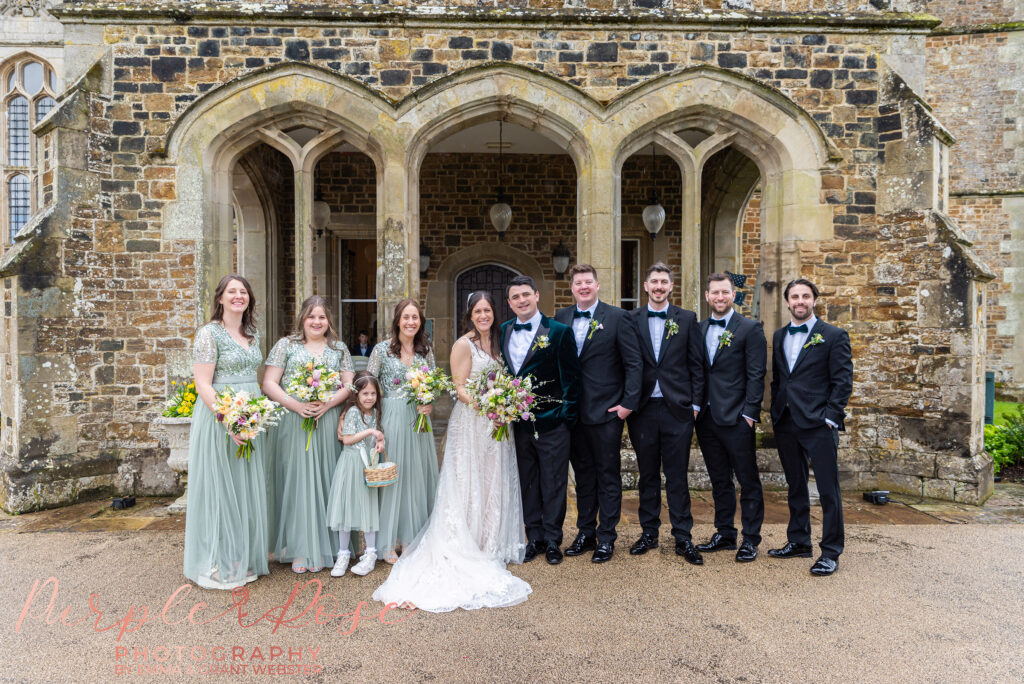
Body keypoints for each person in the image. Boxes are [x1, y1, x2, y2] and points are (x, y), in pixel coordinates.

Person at [373, 291, 531, 611]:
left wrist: (505, 406)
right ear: (469, 315)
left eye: (488, 310)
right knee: (467, 479)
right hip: (473, 421)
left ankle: (490, 541)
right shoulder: (463, 344)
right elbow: (459, 388)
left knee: (493, 479)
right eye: (478, 311)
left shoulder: (499, 342)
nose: (483, 316)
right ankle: (467, 541)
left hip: (496, 423)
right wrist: (488, 406)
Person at [183, 274, 270, 590]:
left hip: (250, 414)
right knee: (221, 487)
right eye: (232, 291)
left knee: (244, 487)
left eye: (243, 291)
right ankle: (218, 562)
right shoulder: (209, 334)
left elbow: (254, 379)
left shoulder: (253, 333)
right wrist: (228, 419)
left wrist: (254, 416)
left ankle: (240, 556)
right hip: (220, 416)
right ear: (220, 298)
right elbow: (203, 383)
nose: (239, 296)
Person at [554, 264, 641, 563]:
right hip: (573, 413)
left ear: (597, 285)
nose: (583, 287)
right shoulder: (562, 318)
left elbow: (633, 363)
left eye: (588, 282)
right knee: (583, 476)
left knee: (607, 475)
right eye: (578, 283)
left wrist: (628, 403)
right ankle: (585, 532)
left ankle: (607, 537)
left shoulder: (617, 318)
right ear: (572, 288)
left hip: (606, 412)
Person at [262, 296, 354, 574]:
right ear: (303, 318)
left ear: (329, 321)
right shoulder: (286, 345)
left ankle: (329, 546)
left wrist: (328, 404)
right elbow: (269, 382)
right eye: (311, 316)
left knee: (327, 481)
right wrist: (296, 404)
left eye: (322, 317)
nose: (317, 322)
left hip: (325, 423)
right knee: (298, 483)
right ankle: (300, 548)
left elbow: (349, 384)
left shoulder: (338, 349)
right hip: (294, 422)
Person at [768, 278, 853, 576]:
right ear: (788, 302)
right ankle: (799, 540)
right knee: (795, 485)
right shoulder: (779, 336)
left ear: (814, 300)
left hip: (819, 423)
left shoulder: (833, 335)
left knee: (828, 490)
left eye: (805, 296)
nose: (800, 301)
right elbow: (780, 379)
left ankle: (830, 552)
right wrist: (775, 410)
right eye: (795, 296)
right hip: (786, 422)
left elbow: (842, 381)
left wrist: (830, 417)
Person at [625, 263, 705, 565]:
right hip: (643, 409)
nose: (659, 287)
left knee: (677, 475)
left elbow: (696, 365)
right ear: (645, 286)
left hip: (678, 410)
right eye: (654, 282)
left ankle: (683, 536)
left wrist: (695, 405)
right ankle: (649, 532)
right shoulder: (631, 319)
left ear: (671, 287)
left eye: (664, 282)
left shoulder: (686, 319)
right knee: (647, 474)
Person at [500, 275, 581, 565]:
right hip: (519, 423)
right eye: (515, 297)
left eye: (526, 294)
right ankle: (533, 536)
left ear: (536, 295)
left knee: (554, 481)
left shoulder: (558, 332)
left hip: (553, 422)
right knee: (527, 480)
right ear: (510, 303)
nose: (521, 300)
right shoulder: (504, 330)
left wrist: (564, 418)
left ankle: (552, 539)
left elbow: (571, 379)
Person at [694, 273, 767, 563]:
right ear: (707, 296)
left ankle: (750, 538)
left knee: (748, 480)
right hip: (707, 418)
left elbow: (756, 374)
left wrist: (750, 413)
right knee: (719, 480)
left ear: (733, 295)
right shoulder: (698, 329)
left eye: (725, 292)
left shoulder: (750, 328)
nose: (720, 297)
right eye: (715, 293)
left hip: (738, 417)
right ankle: (725, 533)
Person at [368, 299, 440, 563]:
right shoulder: (382, 350)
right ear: (397, 320)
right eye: (406, 317)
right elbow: (368, 384)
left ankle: (411, 538)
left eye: (416, 318)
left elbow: (434, 383)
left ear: (420, 322)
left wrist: (429, 401)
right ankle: (387, 542)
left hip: (419, 420)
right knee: (393, 476)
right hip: (392, 416)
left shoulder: (425, 350)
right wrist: (371, 421)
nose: (411, 322)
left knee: (415, 476)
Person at [328, 372, 385, 577]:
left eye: (373, 393)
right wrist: (371, 433)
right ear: (356, 395)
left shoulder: (375, 413)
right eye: (365, 393)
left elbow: (376, 437)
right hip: (350, 463)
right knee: (345, 508)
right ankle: (343, 553)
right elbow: (347, 439)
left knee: (368, 508)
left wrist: (379, 442)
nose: (369, 397)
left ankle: (370, 552)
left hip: (366, 465)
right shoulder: (352, 412)